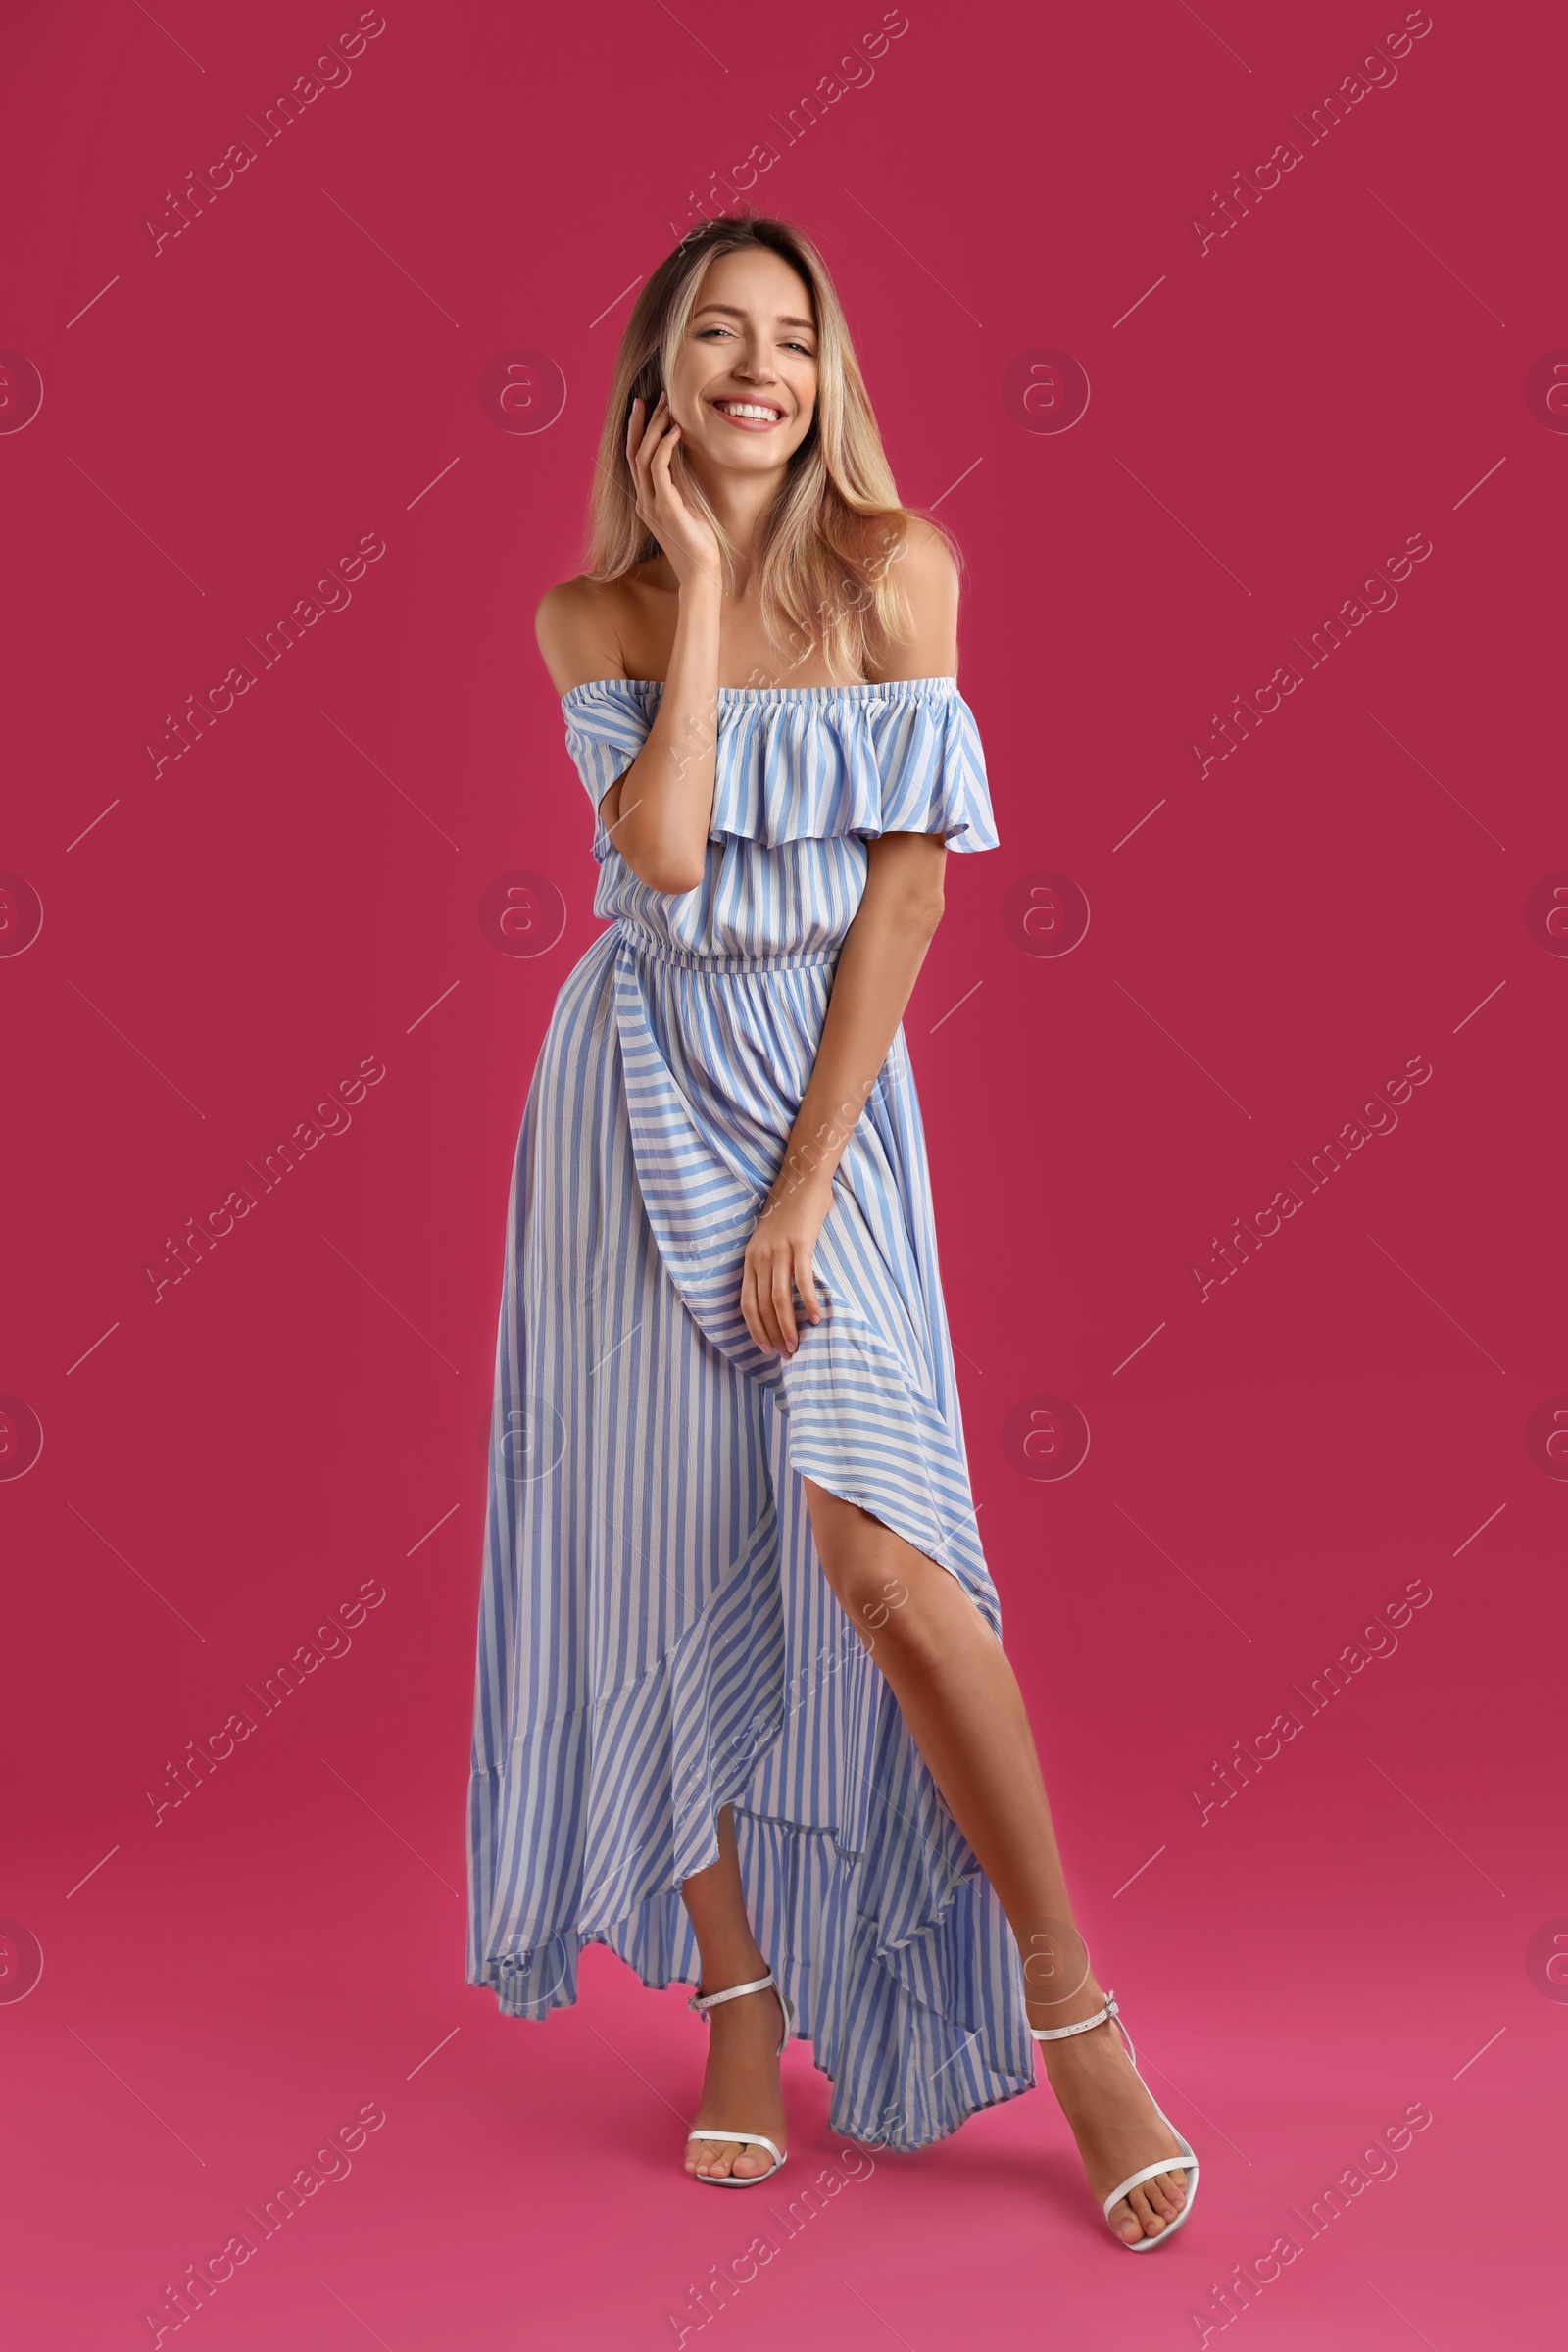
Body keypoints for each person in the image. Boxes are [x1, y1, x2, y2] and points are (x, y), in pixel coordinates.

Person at [466, 211, 1198, 2249]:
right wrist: (695, 583)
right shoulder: (589, 616)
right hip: (623, 1104)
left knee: (881, 1553)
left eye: (790, 338)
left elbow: (905, 898)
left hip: (823, 1112)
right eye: (716, 335)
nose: (757, 368)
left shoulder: (903, 573)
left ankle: (1070, 2016)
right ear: (657, 379)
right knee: (658, 1543)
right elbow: (670, 852)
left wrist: (804, 1176)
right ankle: (732, 2003)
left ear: (827, 373)